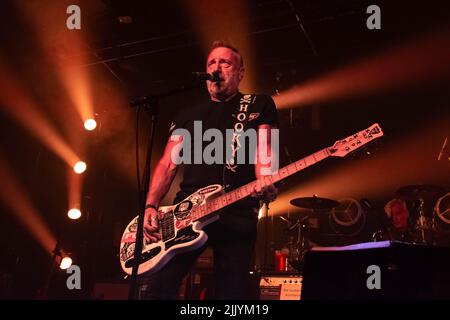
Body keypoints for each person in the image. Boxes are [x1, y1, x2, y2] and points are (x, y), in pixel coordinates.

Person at [139, 41, 279, 300]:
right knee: (160, 286)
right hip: (186, 212)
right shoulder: (188, 114)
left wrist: (265, 179)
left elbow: (264, 150)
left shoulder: (258, 104)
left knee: (232, 290)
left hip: (237, 207)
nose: (217, 68)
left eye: (225, 63)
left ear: (240, 72)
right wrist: (150, 205)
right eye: (211, 63)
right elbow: (168, 163)